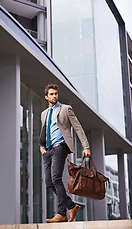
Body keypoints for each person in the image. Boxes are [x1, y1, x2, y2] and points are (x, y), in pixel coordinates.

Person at [39, 84, 91, 223]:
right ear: (46, 97)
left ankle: (61, 213)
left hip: (60, 148)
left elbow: (78, 127)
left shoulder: (66, 109)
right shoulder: (44, 114)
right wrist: (41, 146)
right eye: (51, 94)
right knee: (49, 181)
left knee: (56, 178)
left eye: (56, 93)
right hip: (47, 151)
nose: (54, 96)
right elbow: (44, 131)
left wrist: (85, 146)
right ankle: (71, 206)